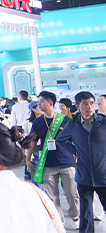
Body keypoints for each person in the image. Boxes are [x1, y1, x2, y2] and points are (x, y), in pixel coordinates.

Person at [22, 91, 79, 229]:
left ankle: (75, 216)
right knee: (52, 196)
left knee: (72, 193)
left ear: (50, 103)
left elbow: (75, 138)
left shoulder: (65, 120)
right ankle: (58, 221)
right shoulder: (38, 122)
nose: (39, 105)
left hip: (66, 162)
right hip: (47, 163)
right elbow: (33, 141)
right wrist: (28, 158)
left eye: (41, 102)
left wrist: (77, 155)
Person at [56, 91, 106, 232]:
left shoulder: (103, 122)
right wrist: (75, 150)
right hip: (84, 175)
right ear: (77, 106)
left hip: (103, 173)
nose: (89, 106)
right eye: (85, 103)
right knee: (85, 212)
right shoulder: (73, 124)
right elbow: (60, 140)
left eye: (92, 103)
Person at [22, 100, 44, 188]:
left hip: (45, 149)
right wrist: (28, 154)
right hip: (34, 150)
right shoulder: (27, 123)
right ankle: (39, 193)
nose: (41, 107)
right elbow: (25, 139)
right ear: (33, 110)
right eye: (38, 106)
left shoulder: (47, 120)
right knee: (36, 175)